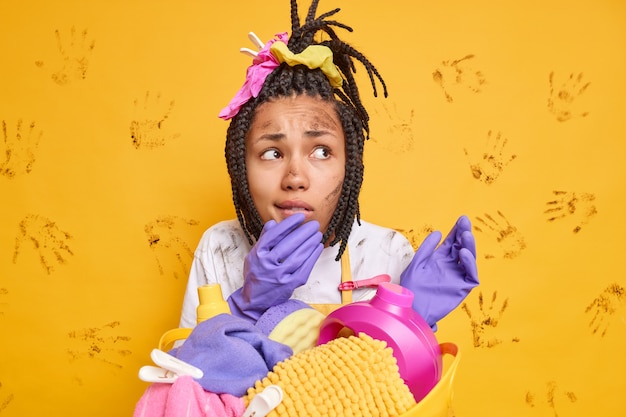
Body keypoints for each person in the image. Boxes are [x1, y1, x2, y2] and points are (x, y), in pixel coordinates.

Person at [179, 0, 478, 331]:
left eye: (320, 151)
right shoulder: (221, 248)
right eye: (272, 153)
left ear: (349, 166)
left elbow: (410, 384)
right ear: (240, 168)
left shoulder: (386, 253)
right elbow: (179, 383)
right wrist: (248, 305)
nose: (295, 178)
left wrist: (409, 321)